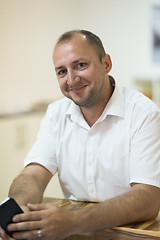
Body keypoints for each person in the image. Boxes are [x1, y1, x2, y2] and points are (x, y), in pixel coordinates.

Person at [0, 29, 160, 240]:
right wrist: (17, 210)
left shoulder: (144, 113)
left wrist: (73, 221)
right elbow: (33, 174)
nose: (71, 79)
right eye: (61, 71)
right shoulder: (56, 113)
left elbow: (147, 200)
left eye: (80, 65)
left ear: (106, 64)